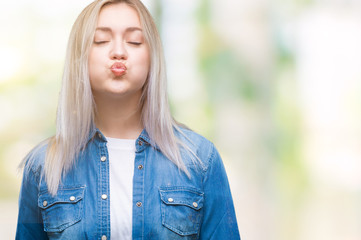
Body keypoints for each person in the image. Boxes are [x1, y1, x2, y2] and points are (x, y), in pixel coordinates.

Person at [16, 0, 240, 239]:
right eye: (101, 40)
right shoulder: (43, 166)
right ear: (80, 56)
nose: (119, 51)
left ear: (152, 56)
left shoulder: (200, 160)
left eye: (134, 41)